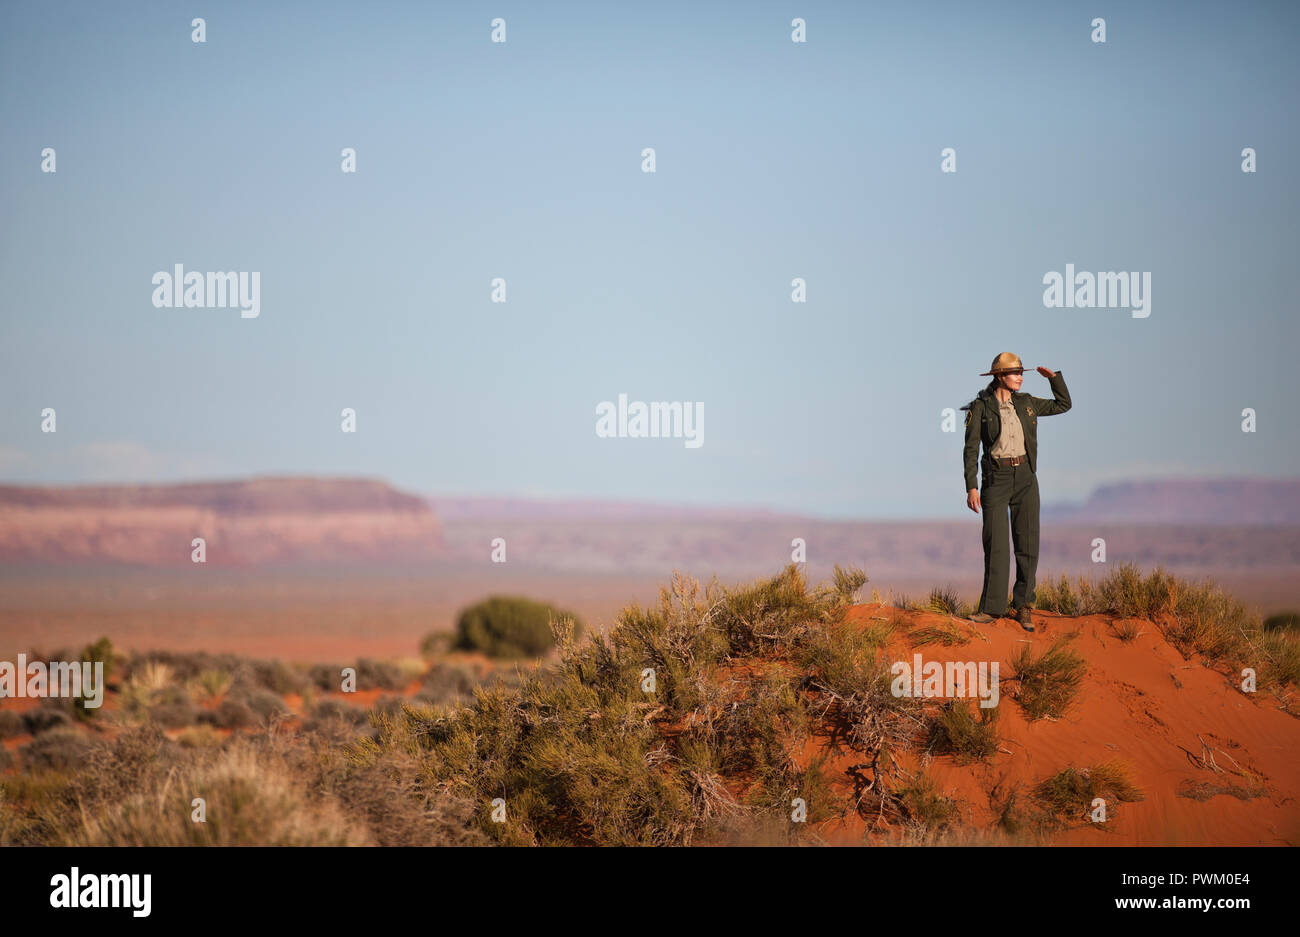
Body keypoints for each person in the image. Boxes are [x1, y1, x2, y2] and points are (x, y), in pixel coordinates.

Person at [960, 352, 1072, 630]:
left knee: (1027, 543)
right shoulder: (981, 407)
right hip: (995, 479)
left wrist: (1054, 380)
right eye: (1015, 372)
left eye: (1022, 372)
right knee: (996, 545)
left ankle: (1023, 607)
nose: (1020, 376)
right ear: (1000, 376)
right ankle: (991, 609)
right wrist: (971, 487)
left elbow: (1063, 405)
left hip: (1025, 477)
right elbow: (971, 449)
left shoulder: (1027, 403)